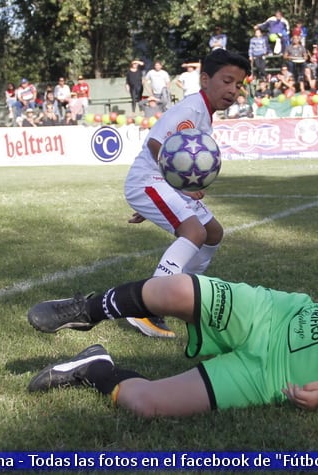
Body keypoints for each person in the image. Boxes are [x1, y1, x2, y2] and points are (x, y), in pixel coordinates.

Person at [26, 202, 318, 418]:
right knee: (172, 290)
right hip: (274, 314)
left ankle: (97, 366)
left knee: (143, 405)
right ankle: (88, 308)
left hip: (269, 376)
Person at [119, 48, 250, 339]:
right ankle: (147, 307)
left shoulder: (204, 111)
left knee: (213, 233)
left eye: (239, 85)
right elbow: (156, 143)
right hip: (149, 179)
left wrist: (170, 195)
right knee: (195, 233)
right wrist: (178, 188)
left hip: (160, 184)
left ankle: (186, 292)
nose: (233, 90)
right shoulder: (191, 109)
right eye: (227, 81)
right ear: (205, 79)